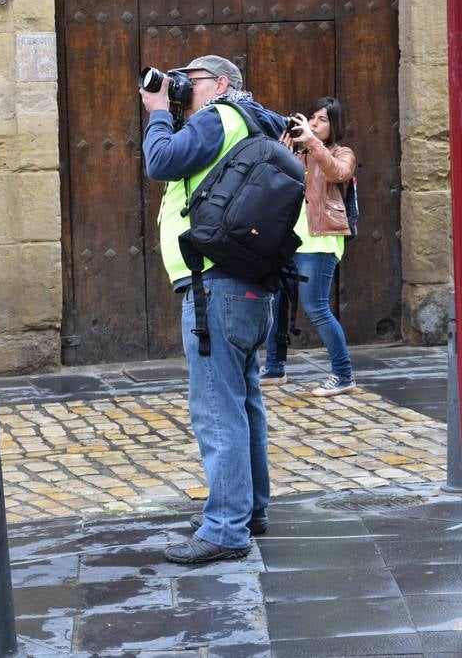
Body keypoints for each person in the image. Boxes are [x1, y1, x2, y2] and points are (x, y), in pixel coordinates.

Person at [140, 55, 285, 565]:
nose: (182, 86)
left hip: (213, 288)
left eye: (191, 79)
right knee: (244, 403)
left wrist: (158, 109)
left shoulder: (218, 116)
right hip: (242, 286)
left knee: (217, 410)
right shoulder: (253, 121)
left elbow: (159, 161)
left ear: (222, 84)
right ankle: (252, 511)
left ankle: (225, 529)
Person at [261, 96, 357, 396]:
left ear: (335, 125)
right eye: (312, 118)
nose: (314, 124)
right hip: (288, 241)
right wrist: (281, 150)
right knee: (276, 302)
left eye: (323, 120)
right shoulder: (299, 153)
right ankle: (275, 368)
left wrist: (312, 142)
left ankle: (343, 375)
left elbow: (338, 173)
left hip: (320, 241)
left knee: (316, 307)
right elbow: (269, 182)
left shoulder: (342, 152)